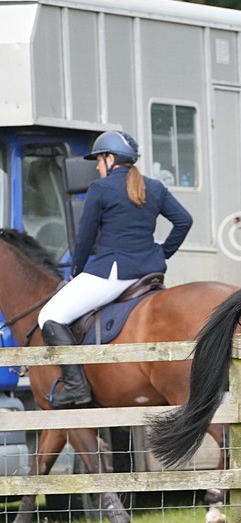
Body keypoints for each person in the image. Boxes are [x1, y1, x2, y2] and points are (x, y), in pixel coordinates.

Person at [37, 130, 193, 408]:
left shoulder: (101, 189)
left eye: (98, 160)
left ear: (110, 159)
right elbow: (184, 221)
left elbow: (84, 238)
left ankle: (76, 388)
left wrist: (76, 271)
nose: (97, 167)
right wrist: (161, 253)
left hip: (112, 273)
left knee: (50, 315)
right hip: (149, 273)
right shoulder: (154, 187)